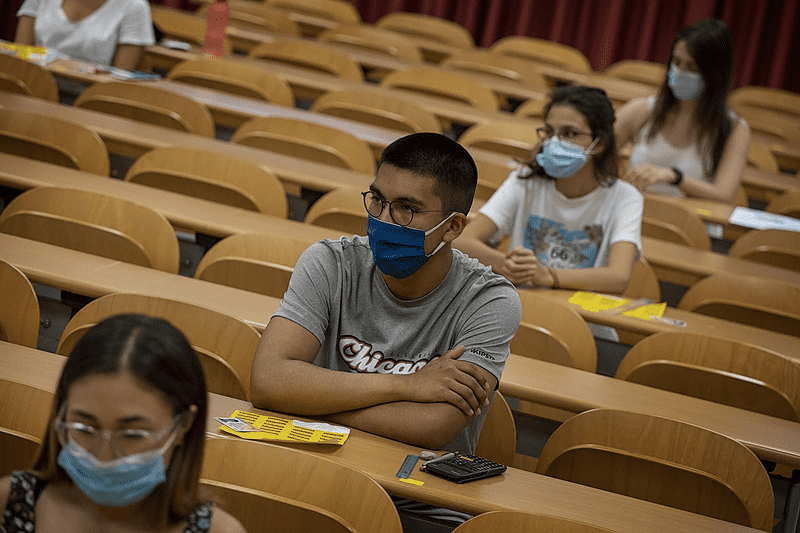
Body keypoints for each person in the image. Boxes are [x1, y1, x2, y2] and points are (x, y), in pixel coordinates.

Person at [250, 132, 522, 455]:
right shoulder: (331, 263)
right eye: (377, 200)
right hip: (317, 462)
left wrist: (309, 402)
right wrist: (406, 385)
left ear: (452, 227)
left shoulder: (489, 300)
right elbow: (268, 381)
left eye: (406, 209)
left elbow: (434, 427)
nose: (382, 219)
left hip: (414, 484)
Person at [0, 314, 246, 533]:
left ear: (184, 424)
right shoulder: (8, 502)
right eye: (84, 429)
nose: (104, 457)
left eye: (132, 435)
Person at [455, 85, 643, 295]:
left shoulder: (625, 197)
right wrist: (505, 264)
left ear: (599, 143)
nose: (555, 142)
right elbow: (462, 240)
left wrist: (548, 275)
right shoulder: (525, 180)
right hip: (521, 302)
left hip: (581, 312)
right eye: (550, 132)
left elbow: (618, 277)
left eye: (569, 133)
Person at [615, 18, 750, 203]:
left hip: (691, 217)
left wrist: (675, 177)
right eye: (676, 62)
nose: (680, 72)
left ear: (715, 74)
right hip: (636, 212)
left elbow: (723, 195)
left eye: (691, 67)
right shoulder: (642, 110)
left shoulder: (735, 128)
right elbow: (595, 150)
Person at [15, 0, 155, 70]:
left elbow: (118, 80)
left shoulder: (135, 6)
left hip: (89, 100)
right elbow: (18, 55)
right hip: (32, 85)